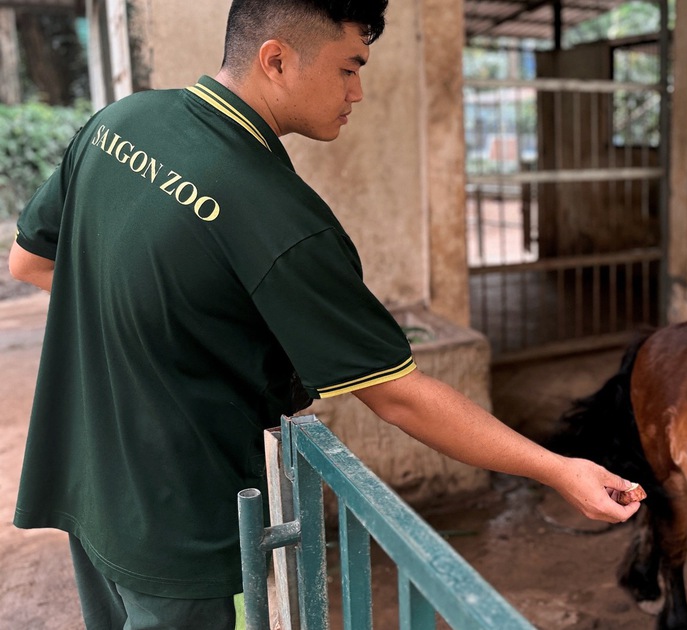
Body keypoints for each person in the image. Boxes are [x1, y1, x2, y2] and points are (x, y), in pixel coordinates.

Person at [6, 1, 640, 627]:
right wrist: (558, 468)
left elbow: (30, 262)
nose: (358, 91)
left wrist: (159, 330)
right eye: (348, 67)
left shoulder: (120, 121)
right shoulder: (281, 220)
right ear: (276, 59)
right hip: (179, 525)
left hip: (81, 476)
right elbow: (399, 397)